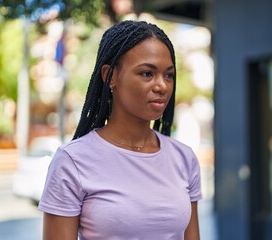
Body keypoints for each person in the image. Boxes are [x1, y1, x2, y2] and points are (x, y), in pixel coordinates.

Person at [38, 20, 202, 240]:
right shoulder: (73, 161)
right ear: (111, 76)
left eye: (169, 75)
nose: (162, 86)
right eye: (147, 73)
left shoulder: (184, 159)